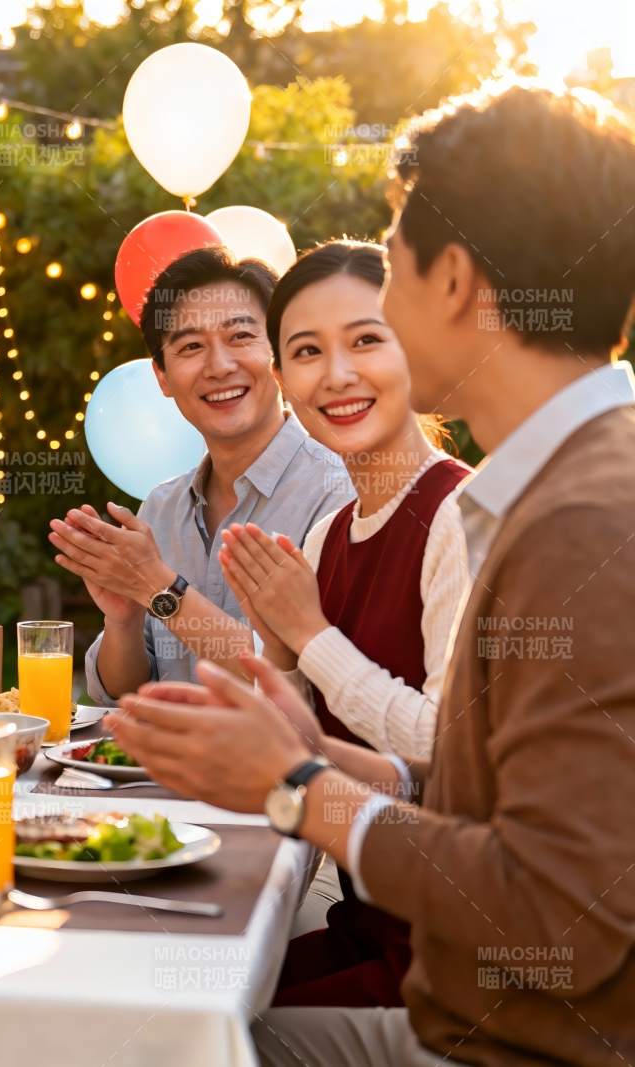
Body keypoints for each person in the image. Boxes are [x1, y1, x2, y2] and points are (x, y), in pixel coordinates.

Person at [106, 82, 635, 1066]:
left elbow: (562, 919)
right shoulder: (560, 486)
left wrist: (298, 781)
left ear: (454, 280)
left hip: (508, 1036)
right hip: (467, 996)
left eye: (388, 269)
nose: (362, 333)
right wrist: (306, 747)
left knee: (151, 1037)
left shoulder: (581, 517)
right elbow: (481, 798)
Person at [222, 239, 472, 1007]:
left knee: (198, 1036)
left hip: (444, 956)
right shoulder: (332, 532)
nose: (336, 374)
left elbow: (445, 749)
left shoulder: (461, 514)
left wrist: (313, 635)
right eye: (306, 351)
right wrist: (275, 643)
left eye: (366, 339)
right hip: (364, 920)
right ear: (283, 381)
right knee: (175, 993)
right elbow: (300, 735)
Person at [49, 248, 352, 702]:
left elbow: (315, 683)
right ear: (163, 377)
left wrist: (159, 588)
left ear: (280, 351)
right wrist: (123, 618)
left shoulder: (338, 494)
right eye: (190, 346)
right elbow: (120, 692)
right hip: (158, 772)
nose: (219, 366)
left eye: (241, 336)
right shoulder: (161, 507)